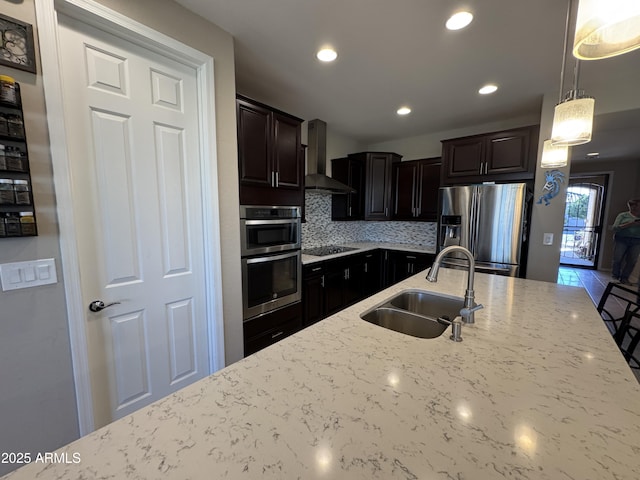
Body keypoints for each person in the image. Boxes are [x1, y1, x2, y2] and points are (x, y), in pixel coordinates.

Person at [611, 198, 640, 285]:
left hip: (637, 241)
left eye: (637, 206)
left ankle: (625, 278)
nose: (634, 208)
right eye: (632, 206)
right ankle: (615, 276)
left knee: (632, 260)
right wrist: (631, 224)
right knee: (617, 258)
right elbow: (615, 227)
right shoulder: (623, 215)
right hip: (622, 239)